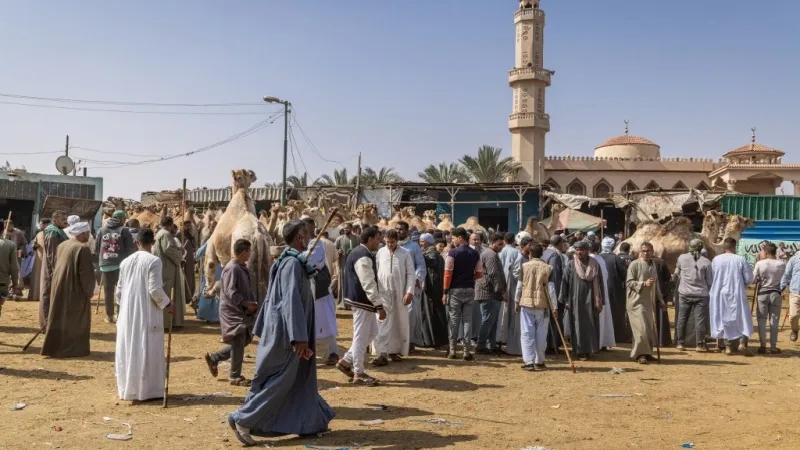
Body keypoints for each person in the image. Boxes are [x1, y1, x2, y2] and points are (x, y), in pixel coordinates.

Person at [227, 220, 335, 445]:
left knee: (301, 379)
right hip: (288, 336)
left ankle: (310, 422)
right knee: (281, 380)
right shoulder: (291, 265)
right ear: (299, 238)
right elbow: (290, 301)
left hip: (295, 332)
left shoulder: (294, 262)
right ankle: (243, 420)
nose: (310, 236)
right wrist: (299, 338)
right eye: (307, 234)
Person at [115, 228, 174, 401]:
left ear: (137, 242)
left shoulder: (125, 262)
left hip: (127, 313)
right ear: (153, 243)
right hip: (146, 313)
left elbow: (119, 292)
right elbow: (155, 289)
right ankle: (148, 391)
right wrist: (168, 303)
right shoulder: (154, 261)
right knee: (147, 347)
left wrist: (127, 306)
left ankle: (129, 388)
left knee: (129, 347)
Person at [336, 227, 385, 386]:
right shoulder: (362, 256)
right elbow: (368, 283)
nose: (379, 242)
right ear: (370, 239)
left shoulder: (360, 253)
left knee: (372, 332)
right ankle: (359, 372)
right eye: (378, 239)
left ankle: (346, 361)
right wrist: (379, 305)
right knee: (361, 336)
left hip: (363, 302)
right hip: (362, 302)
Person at [205, 239, 258, 386]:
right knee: (239, 340)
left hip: (240, 310)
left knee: (244, 340)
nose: (250, 254)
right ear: (243, 252)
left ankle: (215, 358)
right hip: (233, 311)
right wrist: (246, 303)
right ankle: (235, 376)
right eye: (249, 251)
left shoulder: (240, 267)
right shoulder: (233, 268)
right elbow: (230, 291)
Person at [40, 221, 96, 357]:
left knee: (59, 316)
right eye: (87, 233)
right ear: (82, 234)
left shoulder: (62, 245)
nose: (88, 236)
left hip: (59, 286)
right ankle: (74, 349)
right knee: (76, 319)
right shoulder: (82, 248)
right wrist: (89, 290)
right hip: (75, 289)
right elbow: (86, 273)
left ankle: (56, 346)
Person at [371, 229, 414, 365]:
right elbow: (377, 272)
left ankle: (394, 351)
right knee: (382, 321)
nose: (389, 244)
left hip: (400, 292)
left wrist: (409, 292)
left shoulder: (405, 254)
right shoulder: (380, 252)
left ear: (397, 241)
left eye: (392, 242)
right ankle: (382, 352)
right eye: (387, 242)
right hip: (383, 292)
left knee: (398, 321)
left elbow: (411, 274)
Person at [558, 241, 603, 360]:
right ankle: (580, 351)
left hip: (592, 300)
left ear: (587, 251)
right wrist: (565, 300)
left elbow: (600, 283)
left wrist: (600, 300)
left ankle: (590, 349)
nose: (579, 252)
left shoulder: (595, 264)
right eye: (577, 250)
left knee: (591, 324)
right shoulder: (571, 265)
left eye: (582, 250)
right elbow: (564, 282)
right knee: (578, 325)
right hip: (575, 300)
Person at [710, 237, 754, 356]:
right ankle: (742, 344)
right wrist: (744, 284)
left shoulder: (716, 259)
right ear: (734, 247)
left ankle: (728, 347)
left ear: (724, 247)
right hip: (736, 292)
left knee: (723, 317)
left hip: (719, 293)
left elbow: (712, 276)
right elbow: (749, 278)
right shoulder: (740, 259)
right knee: (743, 318)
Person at [443, 227, 483, 360]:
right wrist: (469, 280)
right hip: (470, 289)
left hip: (455, 290)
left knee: (454, 321)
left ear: (460, 238)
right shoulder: (475, 253)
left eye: (453, 238)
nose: (452, 240)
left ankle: (453, 350)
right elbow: (479, 273)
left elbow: (447, 273)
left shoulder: (452, 253)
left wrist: (445, 291)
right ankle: (466, 351)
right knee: (467, 321)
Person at [516, 242, 556, 371]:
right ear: (542, 253)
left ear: (530, 253)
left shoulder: (524, 266)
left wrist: (516, 301)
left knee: (527, 333)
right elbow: (551, 289)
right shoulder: (548, 268)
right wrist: (554, 307)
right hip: (542, 305)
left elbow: (519, 286)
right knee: (541, 333)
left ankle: (529, 361)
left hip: (526, 304)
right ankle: (540, 360)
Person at [304, 221, 339, 366]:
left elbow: (312, 261)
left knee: (327, 321)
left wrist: (298, 257)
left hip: (319, 290)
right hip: (307, 289)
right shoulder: (304, 244)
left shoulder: (316, 244)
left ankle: (333, 352)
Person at [626, 242, 665, 364]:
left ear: (652, 252)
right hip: (636, 302)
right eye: (643, 251)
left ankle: (647, 353)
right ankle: (640, 355)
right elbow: (629, 282)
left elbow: (655, 285)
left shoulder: (653, 265)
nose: (646, 253)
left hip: (649, 302)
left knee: (648, 329)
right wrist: (643, 284)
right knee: (641, 329)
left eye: (648, 251)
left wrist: (661, 300)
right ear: (640, 252)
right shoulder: (634, 264)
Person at [673, 239, 713, 352]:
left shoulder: (681, 258)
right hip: (701, 295)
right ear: (701, 248)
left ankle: (680, 343)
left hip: (684, 294)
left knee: (682, 318)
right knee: (700, 320)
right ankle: (700, 345)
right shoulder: (706, 262)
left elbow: (677, 273)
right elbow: (710, 281)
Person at [96, 210, 135, 324]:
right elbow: (129, 249)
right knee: (121, 290)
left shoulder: (102, 230)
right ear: (121, 219)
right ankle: (120, 314)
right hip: (120, 265)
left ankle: (109, 316)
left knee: (108, 292)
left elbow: (97, 247)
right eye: (124, 219)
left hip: (105, 264)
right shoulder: (124, 230)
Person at [396, 221, 427, 350]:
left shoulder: (414, 247)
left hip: (410, 286)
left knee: (410, 315)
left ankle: (410, 342)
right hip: (394, 286)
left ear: (407, 231)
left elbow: (420, 264)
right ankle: (396, 343)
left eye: (401, 229)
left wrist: (417, 278)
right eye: (397, 229)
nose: (399, 231)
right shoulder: (390, 246)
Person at [474, 233, 507, 355]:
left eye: (502, 244)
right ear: (492, 243)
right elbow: (493, 274)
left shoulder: (492, 254)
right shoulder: (490, 255)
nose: (501, 247)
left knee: (492, 321)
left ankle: (492, 345)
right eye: (499, 244)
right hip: (488, 292)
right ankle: (481, 345)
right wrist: (501, 291)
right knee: (488, 320)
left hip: (492, 293)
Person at [753, 242, 786, 354]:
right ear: (775, 252)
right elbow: (784, 280)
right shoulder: (781, 264)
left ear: (766, 252)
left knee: (762, 319)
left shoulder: (760, 263)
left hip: (762, 293)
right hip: (776, 293)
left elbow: (753, 279)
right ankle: (773, 346)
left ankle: (763, 344)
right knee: (774, 320)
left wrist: (758, 279)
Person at [598, 236, 632, 343]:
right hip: (614, 292)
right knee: (616, 314)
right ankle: (618, 336)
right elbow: (625, 275)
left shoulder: (597, 258)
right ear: (613, 247)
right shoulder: (616, 259)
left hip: (598, 291)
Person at [154, 216, 185, 329]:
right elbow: (168, 250)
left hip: (165, 267)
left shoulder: (159, 233)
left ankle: (170, 321)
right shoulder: (165, 234)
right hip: (166, 268)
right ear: (171, 225)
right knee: (166, 293)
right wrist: (179, 254)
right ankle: (166, 323)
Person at [39, 210, 69, 329]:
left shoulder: (59, 232)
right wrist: (57, 272)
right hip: (52, 271)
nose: (65, 222)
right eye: (63, 219)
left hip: (55, 269)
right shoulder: (53, 233)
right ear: (54, 220)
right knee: (47, 295)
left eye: (66, 219)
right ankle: (46, 325)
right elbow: (53, 256)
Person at [419, 233, 448, 348]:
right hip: (435, 289)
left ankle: (433, 341)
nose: (421, 244)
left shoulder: (431, 253)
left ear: (429, 242)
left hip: (432, 290)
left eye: (422, 241)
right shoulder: (432, 252)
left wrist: (419, 256)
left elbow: (432, 262)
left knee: (431, 314)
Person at [497, 232, 523, 355]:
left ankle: (499, 338)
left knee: (501, 313)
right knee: (510, 314)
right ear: (513, 240)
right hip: (511, 286)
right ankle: (507, 339)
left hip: (500, 285)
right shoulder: (516, 253)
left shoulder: (500, 251)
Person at [590, 240, 616, 350]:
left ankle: (595, 343)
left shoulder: (591, 260)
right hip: (602, 293)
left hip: (594, 294)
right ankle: (602, 342)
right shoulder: (600, 259)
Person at [542, 234, 566, 352]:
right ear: (559, 243)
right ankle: (552, 345)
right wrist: (557, 297)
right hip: (552, 292)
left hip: (544, 291)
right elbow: (555, 278)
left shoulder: (545, 253)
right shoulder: (555, 256)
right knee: (554, 318)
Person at [335, 223, 359, 309]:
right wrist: (339, 252)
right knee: (343, 282)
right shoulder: (339, 239)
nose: (345, 230)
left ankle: (352, 302)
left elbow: (360, 249)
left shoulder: (356, 238)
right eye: (344, 229)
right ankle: (343, 303)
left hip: (354, 263)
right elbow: (335, 250)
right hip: (343, 263)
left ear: (351, 228)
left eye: (347, 228)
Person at [0, 221, 20, 317]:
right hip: (2, 283)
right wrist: (15, 283)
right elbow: (14, 267)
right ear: (3, 230)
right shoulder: (10, 245)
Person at [781, 247, 800, 342]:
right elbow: (786, 274)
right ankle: (795, 330)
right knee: (793, 316)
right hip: (795, 292)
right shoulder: (794, 259)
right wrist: (781, 288)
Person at [27, 219, 48, 302]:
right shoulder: (39, 234)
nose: (40, 226)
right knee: (37, 277)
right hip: (38, 259)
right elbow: (33, 245)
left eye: (41, 224)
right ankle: (35, 296)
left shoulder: (52, 233)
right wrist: (35, 245)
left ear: (46, 224)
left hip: (48, 259)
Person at [180, 219, 197, 305]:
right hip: (184, 260)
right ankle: (186, 297)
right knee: (185, 278)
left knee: (191, 278)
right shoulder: (180, 235)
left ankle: (190, 295)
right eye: (187, 225)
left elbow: (194, 246)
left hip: (191, 260)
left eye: (189, 225)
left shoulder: (191, 236)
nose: (189, 227)